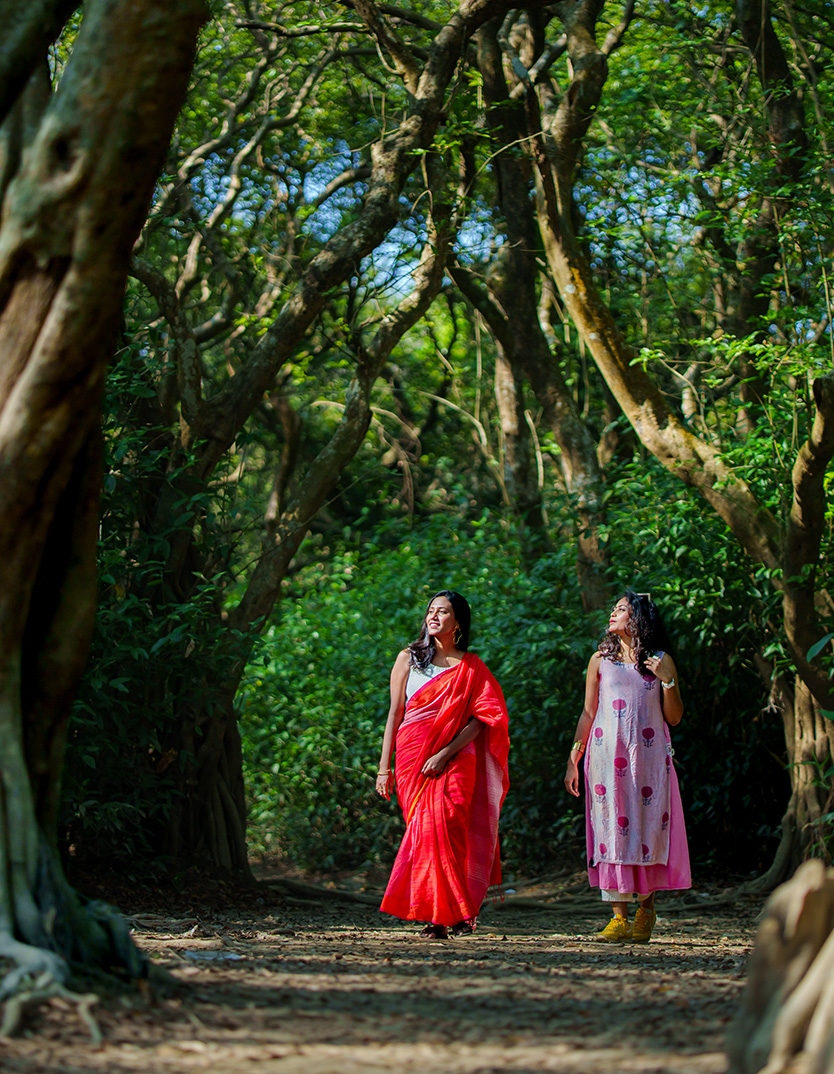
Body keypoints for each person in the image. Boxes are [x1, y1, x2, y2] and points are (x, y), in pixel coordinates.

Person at [375, 590, 510, 939]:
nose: (434, 616)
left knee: (449, 828)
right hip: (410, 759)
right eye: (431, 611)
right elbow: (395, 713)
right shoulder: (408, 659)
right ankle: (442, 911)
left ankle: (451, 914)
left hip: (455, 759)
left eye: (443, 612)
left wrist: (445, 753)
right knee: (424, 833)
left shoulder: (471, 667)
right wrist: (383, 767)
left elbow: (485, 718)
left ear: (459, 623)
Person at [564, 591, 690, 943]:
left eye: (621, 609)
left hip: (647, 763)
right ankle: (618, 917)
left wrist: (667, 680)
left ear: (639, 619)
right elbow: (589, 713)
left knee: (648, 829)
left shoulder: (660, 660)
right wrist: (574, 757)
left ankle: (645, 911)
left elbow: (675, 718)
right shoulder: (599, 661)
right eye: (614, 608)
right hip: (604, 760)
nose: (613, 613)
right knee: (610, 830)